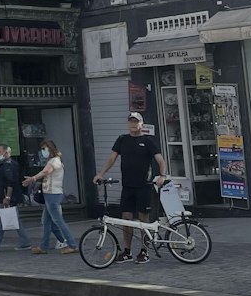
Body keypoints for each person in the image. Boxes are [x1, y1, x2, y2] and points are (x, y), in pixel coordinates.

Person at [94, 112, 168, 264]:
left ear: (141, 124)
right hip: (127, 186)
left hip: (144, 186)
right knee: (126, 219)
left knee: (143, 219)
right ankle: (126, 251)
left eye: (136, 122)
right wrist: (100, 174)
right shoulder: (122, 140)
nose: (133, 124)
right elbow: (111, 158)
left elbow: (160, 160)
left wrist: (162, 175)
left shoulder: (148, 141)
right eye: (131, 121)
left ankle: (144, 251)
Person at [24, 139, 77, 255]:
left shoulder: (54, 161)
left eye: (44, 149)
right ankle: (44, 246)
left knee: (58, 221)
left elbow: (46, 172)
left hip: (52, 194)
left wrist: (33, 178)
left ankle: (72, 244)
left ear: (50, 148)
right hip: (51, 194)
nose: (43, 151)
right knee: (46, 221)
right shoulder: (55, 160)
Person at [0, 145, 31, 251]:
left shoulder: (8, 165)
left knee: (2, 221)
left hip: (7, 197)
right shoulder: (6, 164)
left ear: (6, 152)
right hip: (5, 195)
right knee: (6, 220)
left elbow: (10, 182)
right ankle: (23, 242)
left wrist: (8, 196)